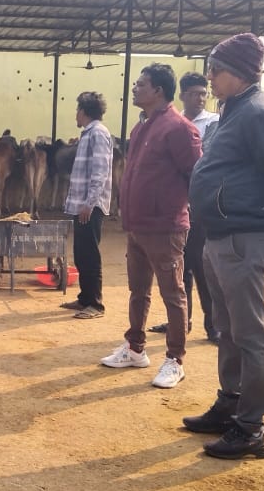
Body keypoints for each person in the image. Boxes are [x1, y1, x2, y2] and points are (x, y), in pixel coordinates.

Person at [182, 32, 264, 460]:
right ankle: (230, 403)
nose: (209, 77)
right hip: (219, 236)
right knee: (228, 329)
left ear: (238, 72)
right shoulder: (232, 110)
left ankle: (251, 426)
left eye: (216, 69)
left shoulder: (259, 114)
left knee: (249, 334)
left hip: (242, 237)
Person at [99, 64, 201, 391]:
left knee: (173, 294)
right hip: (138, 226)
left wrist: (179, 213)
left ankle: (175, 360)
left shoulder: (179, 129)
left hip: (165, 228)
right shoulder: (141, 127)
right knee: (138, 290)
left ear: (158, 90)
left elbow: (196, 176)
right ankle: (135, 348)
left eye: (140, 84)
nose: (135, 88)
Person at [150, 71, 221, 343]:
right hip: (178, 206)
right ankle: (181, 321)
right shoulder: (173, 121)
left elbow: (206, 161)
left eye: (203, 93)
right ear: (182, 95)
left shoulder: (214, 123)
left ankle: (213, 325)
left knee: (202, 267)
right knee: (180, 268)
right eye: (194, 94)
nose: (200, 98)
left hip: (200, 207)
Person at [59, 91, 114, 320]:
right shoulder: (88, 134)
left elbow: (100, 172)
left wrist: (89, 203)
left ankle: (95, 304)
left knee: (90, 254)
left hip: (89, 206)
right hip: (81, 204)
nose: (76, 114)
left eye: (77, 110)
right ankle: (84, 298)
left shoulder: (98, 133)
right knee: (81, 253)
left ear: (83, 111)